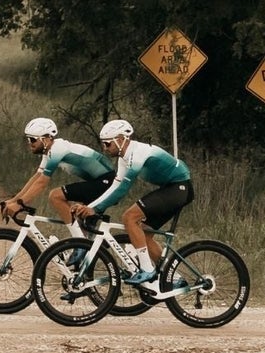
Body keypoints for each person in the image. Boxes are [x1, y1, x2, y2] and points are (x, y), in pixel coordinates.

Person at [72, 119, 194, 285]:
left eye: (108, 144)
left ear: (121, 139)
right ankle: (175, 279)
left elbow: (122, 189)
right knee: (143, 234)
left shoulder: (137, 154)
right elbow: (115, 185)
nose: (105, 148)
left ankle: (147, 270)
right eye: (104, 144)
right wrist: (92, 207)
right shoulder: (124, 157)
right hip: (172, 188)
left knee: (130, 217)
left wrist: (95, 208)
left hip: (178, 188)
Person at [0, 117, 114, 233]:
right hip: (99, 181)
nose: (30, 143)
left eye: (33, 139)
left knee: (55, 195)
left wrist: (20, 204)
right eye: (28, 139)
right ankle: (82, 245)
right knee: (82, 224)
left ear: (47, 139)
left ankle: (79, 240)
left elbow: (42, 183)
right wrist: (13, 201)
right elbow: (37, 177)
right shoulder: (49, 151)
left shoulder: (57, 149)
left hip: (106, 181)